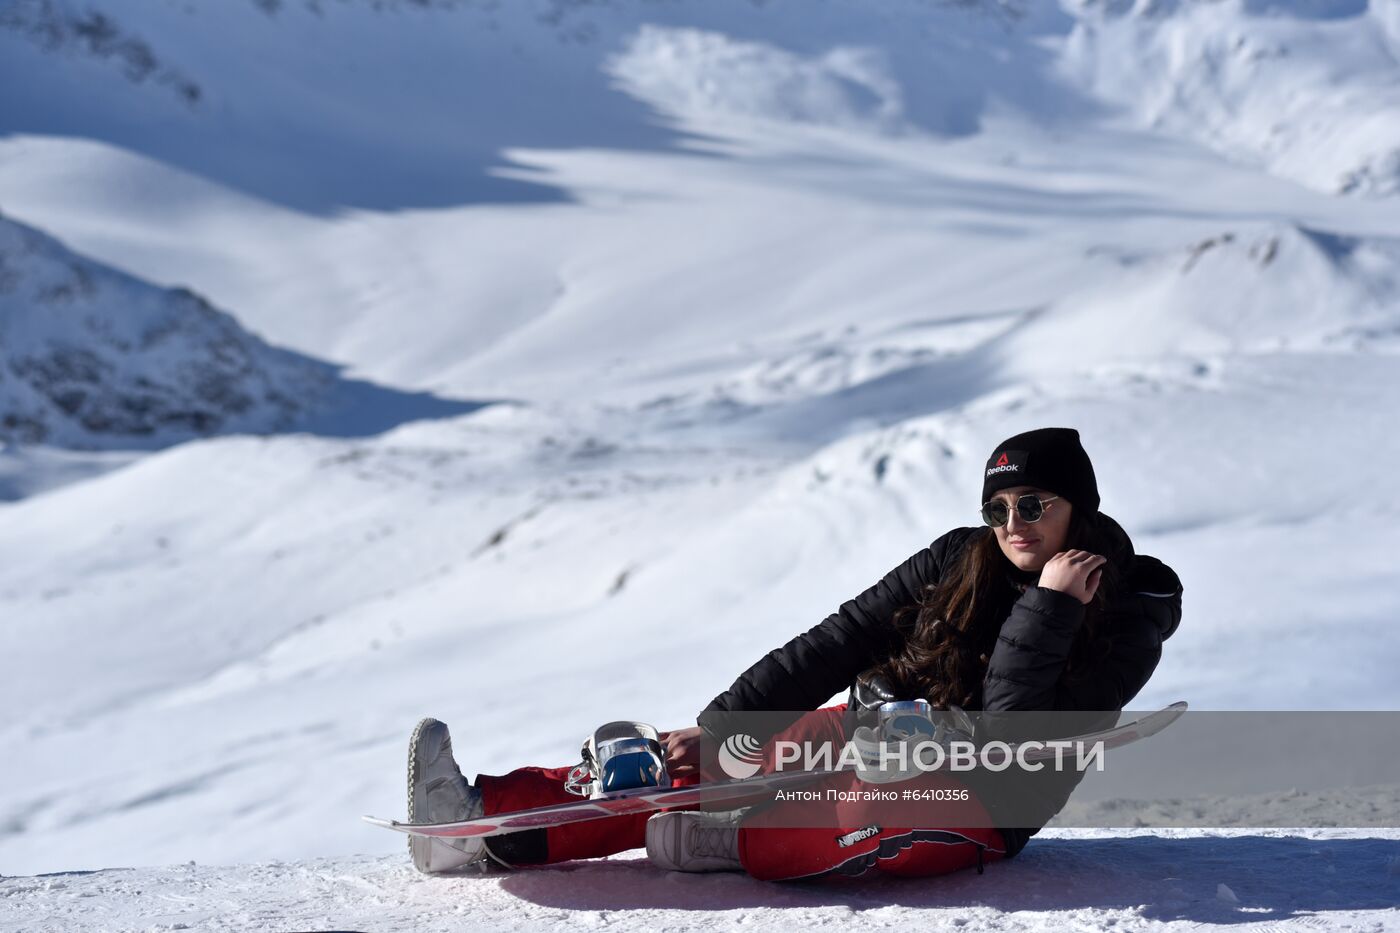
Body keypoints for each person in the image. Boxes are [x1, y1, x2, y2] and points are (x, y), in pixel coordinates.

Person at [404, 427, 1183, 881]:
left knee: (816, 823)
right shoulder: (958, 557)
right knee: (680, 767)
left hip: (980, 798)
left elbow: (1018, 735)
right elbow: (844, 635)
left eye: (1034, 504)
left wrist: (1049, 605)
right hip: (874, 731)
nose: (1013, 522)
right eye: (998, 506)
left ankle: (726, 840)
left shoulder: (1128, 608)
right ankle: (473, 828)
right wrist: (723, 725)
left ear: (1079, 507)